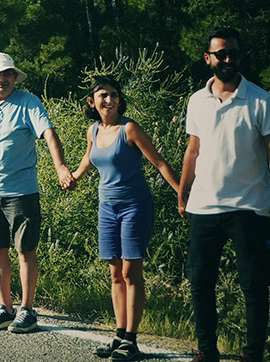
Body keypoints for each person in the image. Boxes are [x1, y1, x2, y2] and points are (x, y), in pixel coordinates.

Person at [178, 29, 270, 362]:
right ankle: (207, 351)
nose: (227, 59)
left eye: (233, 54)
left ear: (240, 57)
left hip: (248, 206)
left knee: (254, 286)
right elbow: (193, 150)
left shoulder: (261, 100)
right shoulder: (197, 101)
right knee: (200, 283)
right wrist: (183, 191)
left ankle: (253, 355)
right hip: (203, 205)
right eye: (221, 54)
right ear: (207, 58)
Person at [0, 52, 73, 334]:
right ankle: (5, 308)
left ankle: (27, 310)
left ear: (14, 77)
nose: (1, 79)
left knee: (25, 251)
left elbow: (48, 134)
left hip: (21, 191)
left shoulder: (29, 102)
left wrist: (60, 167)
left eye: (6, 74)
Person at [68, 76, 180, 360]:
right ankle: (119, 336)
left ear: (120, 99)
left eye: (114, 94)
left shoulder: (129, 129)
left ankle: (131, 339)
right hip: (107, 208)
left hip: (134, 206)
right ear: (92, 102)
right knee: (115, 273)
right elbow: (89, 158)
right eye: (103, 95)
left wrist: (182, 194)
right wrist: (74, 177)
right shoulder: (93, 130)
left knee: (131, 273)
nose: (109, 100)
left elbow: (159, 162)